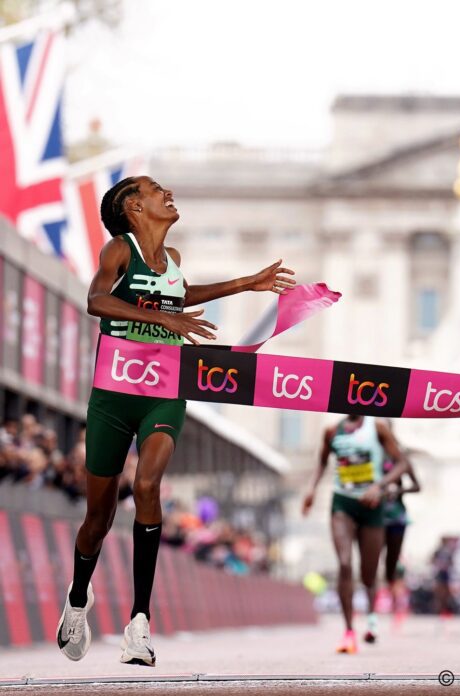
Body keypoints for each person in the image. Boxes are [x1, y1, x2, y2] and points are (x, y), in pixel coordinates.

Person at [56, 176, 295, 666]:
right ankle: (79, 596)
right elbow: (96, 301)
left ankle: (139, 623)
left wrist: (246, 283)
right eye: (154, 188)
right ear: (133, 206)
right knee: (97, 520)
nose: (167, 192)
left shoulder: (174, 262)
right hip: (114, 393)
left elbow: (179, 297)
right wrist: (165, 319)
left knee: (147, 486)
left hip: (164, 390)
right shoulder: (118, 251)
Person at [302, 415, 407, 653]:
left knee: (368, 573)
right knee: (345, 563)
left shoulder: (378, 428)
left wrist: (379, 486)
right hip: (343, 504)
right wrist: (312, 489)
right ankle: (348, 631)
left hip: (372, 506)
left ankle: (371, 618)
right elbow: (321, 462)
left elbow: (402, 463)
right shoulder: (331, 431)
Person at [381, 433, 420, 617]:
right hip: (374, 514)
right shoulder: (371, 453)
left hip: (396, 515)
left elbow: (417, 486)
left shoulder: (401, 458)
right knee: (372, 558)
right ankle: (381, 598)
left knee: (392, 560)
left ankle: (394, 593)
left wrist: (398, 490)